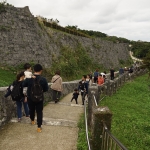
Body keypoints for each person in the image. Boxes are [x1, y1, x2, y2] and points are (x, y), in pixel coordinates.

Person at [23, 64, 48, 133]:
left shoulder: (29, 79)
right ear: (41, 71)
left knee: (31, 109)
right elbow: (46, 89)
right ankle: (39, 127)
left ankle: (32, 120)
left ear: (34, 70)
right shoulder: (43, 79)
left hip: (30, 97)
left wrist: (27, 78)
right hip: (39, 98)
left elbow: (23, 84)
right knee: (39, 112)